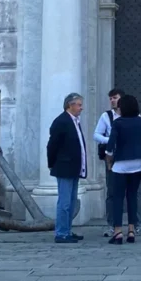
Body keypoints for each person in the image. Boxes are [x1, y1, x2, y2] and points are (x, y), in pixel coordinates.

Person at [95, 88, 141, 236]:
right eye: (110, 98)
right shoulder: (107, 116)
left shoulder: (133, 119)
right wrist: (110, 140)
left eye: (115, 98)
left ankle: (131, 227)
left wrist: (112, 148)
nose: (112, 100)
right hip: (129, 161)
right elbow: (97, 135)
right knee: (114, 193)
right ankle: (117, 226)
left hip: (118, 161)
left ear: (122, 101)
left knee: (130, 195)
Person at [105, 93, 141, 244]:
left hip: (122, 163)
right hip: (138, 163)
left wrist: (109, 161)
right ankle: (131, 230)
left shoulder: (118, 123)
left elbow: (111, 146)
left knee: (118, 197)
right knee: (132, 196)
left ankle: (118, 231)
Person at [45, 92, 88, 244]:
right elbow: (52, 145)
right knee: (64, 202)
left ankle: (67, 230)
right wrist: (52, 163)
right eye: (79, 105)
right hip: (64, 167)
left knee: (71, 201)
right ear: (70, 105)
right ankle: (61, 233)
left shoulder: (74, 121)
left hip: (74, 167)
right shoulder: (61, 121)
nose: (81, 108)